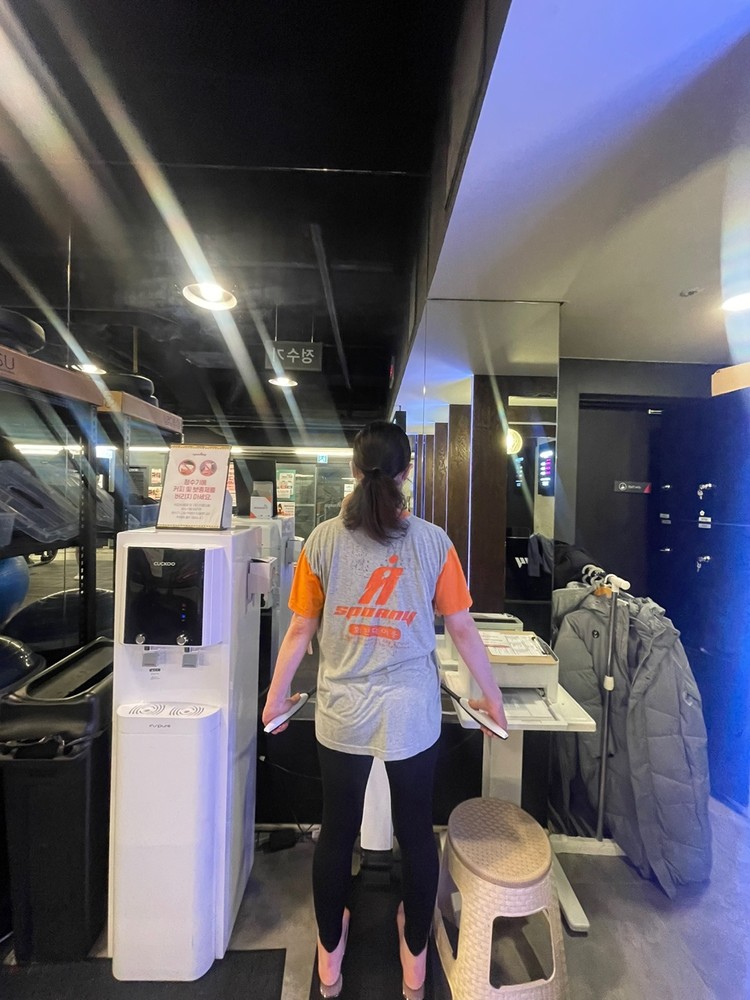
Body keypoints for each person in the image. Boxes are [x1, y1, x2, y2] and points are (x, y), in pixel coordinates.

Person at [262, 420, 508, 1000]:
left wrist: (275, 695)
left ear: (355, 470)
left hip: (342, 711)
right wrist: (492, 696)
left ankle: (329, 961)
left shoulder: (322, 541)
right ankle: (415, 962)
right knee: (416, 833)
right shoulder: (434, 542)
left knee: (337, 831)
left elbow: (300, 629)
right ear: (407, 473)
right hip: (411, 713)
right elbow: (462, 629)